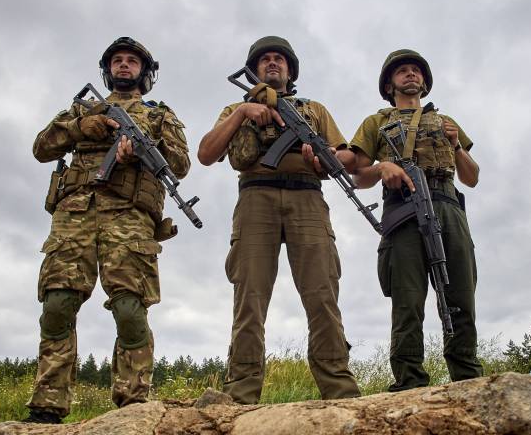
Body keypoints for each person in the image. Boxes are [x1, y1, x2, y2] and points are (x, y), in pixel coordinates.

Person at [25, 37, 191, 423]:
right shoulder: (82, 109)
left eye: (132, 61)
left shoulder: (158, 116)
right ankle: (48, 405)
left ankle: (132, 403)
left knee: (130, 308)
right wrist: (82, 126)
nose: (124, 65)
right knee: (57, 304)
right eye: (117, 60)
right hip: (74, 213)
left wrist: (143, 149)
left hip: (129, 218)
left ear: (144, 72)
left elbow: (180, 165)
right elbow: (42, 148)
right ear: (107, 70)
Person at [197, 36, 361, 404]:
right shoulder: (235, 108)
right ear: (254, 69)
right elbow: (206, 153)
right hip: (256, 197)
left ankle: (340, 391)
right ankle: (241, 393)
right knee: (250, 298)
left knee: (322, 294)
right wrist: (244, 111)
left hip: (308, 198)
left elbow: (349, 157)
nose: (273, 63)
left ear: (290, 70)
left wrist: (326, 155)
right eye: (265, 59)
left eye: (280, 59)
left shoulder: (313, 109)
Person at [346, 49, 483, 391]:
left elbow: (471, 177)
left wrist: (456, 146)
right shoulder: (376, 122)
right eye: (402, 71)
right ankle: (409, 382)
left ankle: (467, 379)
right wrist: (382, 168)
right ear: (389, 84)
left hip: (447, 205)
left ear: (424, 81)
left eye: (416, 70)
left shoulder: (445, 122)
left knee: (461, 295)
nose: (411, 74)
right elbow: (357, 176)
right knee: (407, 300)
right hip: (403, 209)